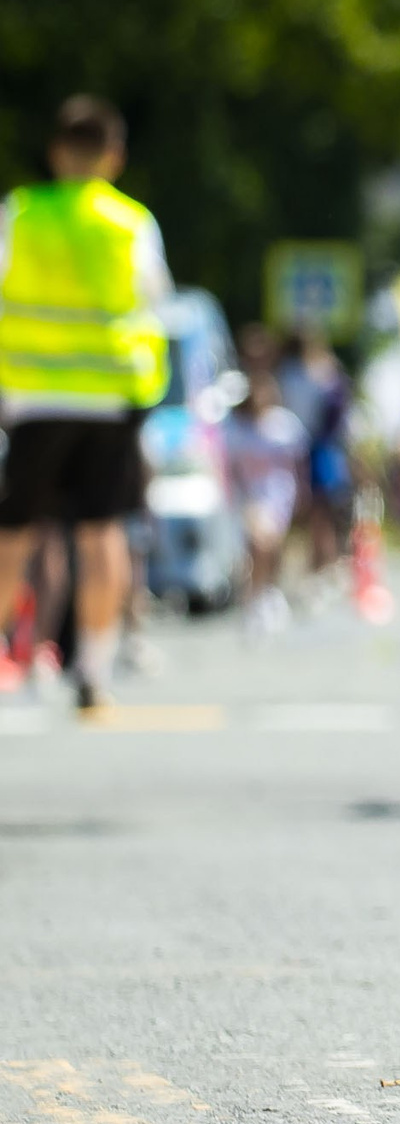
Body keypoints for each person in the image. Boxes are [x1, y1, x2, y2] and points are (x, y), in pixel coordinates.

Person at [0, 97, 171, 712]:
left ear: (55, 152)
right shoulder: (130, 222)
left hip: (33, 394)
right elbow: (156, 302)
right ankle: (94, 671)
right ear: (114, 157)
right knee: (103, 535)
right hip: (109, 397)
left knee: (13, 534)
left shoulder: (21, 212)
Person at [224, 368, 308, 636]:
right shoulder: (237, 428)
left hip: (279, 496)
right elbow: (229, 468)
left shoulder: (284, 426)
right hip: (250, 498)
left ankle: (266, 592)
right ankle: (255, 597)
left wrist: (303, 492)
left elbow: (298, 464)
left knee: (273, 549)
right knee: (259, 546)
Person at [275, 327, 356, 581]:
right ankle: (310, 566)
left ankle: (323, 564)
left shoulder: (325, 374)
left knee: (321, 509)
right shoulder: (291, 373)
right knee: (300, 509)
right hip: (293, 445)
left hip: (317, 446)